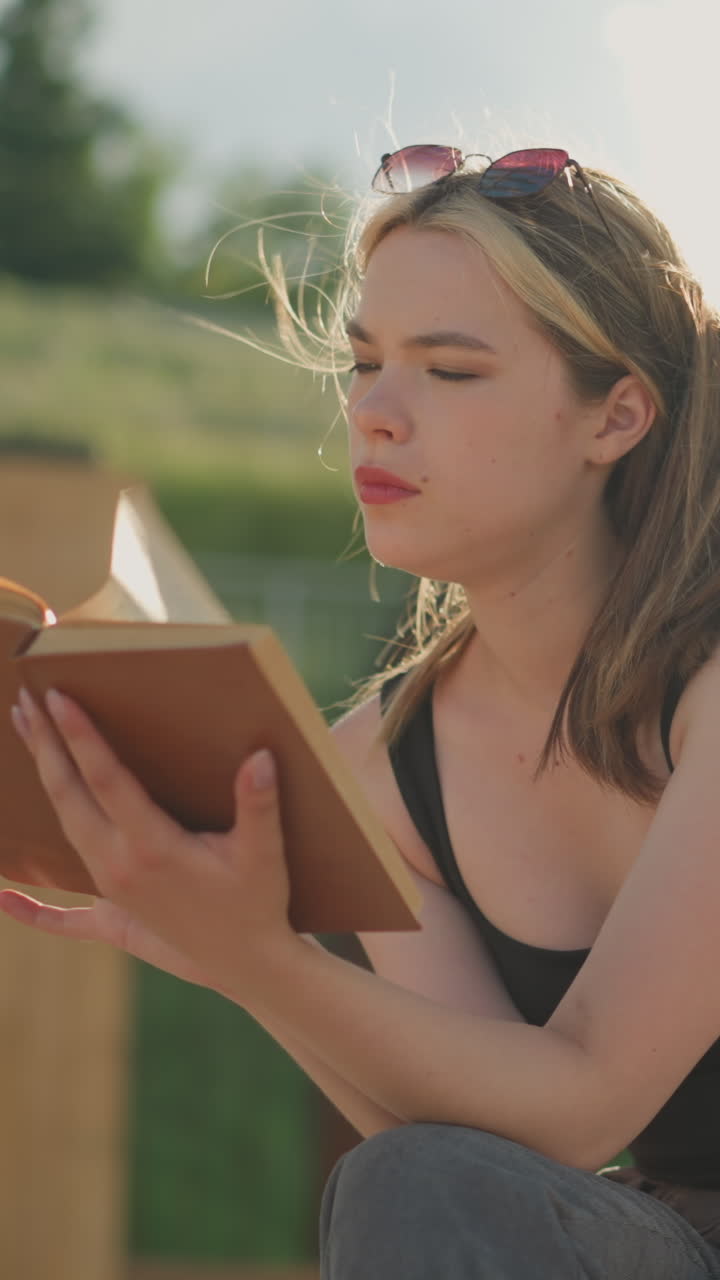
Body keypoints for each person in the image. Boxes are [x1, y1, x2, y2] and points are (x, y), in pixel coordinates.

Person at [4, 142, 720, 1279]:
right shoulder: (388, 763)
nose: (376, 413)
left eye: (451, 371)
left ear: (616, 416)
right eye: (365, 361)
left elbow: (584, 1101)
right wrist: (242, 955)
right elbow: (473, 1156)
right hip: (665, 1232)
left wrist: (261, 955)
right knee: (409, 1178)